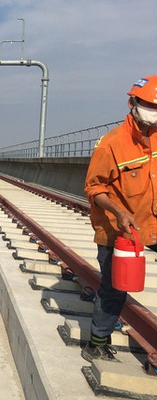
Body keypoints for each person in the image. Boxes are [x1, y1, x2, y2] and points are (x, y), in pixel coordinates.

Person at [83, 75, 157, 361]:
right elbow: (94, 187)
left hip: (152, 224)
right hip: (120, 230)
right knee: (115, 288)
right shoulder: (112, 144)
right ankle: (97, 343)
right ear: (132, 103)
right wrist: (119, 212)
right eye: (148, 105)